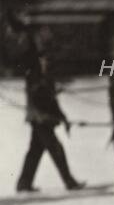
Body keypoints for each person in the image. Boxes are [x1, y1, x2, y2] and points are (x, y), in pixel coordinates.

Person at [5, 11, 85, 192]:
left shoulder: (41, 75)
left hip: (40, 114)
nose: (47, 61)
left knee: (35, 149)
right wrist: (56, 111)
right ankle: (69, 181)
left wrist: (60, 113)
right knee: (55, 148)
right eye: (45, 58)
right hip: (40, 115)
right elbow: (41, 97)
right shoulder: (36, 75)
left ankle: (23, 183)